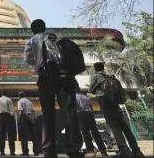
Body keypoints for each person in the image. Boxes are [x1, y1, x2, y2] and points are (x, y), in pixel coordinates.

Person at [24, 19, 83, 158]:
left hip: (45, 77)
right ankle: (74, 149)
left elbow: (28, 59)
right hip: (64, 76)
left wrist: (39, 61)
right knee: (69, 111)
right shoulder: (55, 38)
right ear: (45, 28)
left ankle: (49, 151)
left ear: (33, 30)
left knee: (47, 114)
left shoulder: (31, 41)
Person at [89, 62, 145, 158]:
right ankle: (136, 150)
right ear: (103, 68)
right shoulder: (110, 77)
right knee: (125, 127)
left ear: (95, 69)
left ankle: (124, 150)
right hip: (115, 104)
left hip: (105, 103)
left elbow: (90, 90)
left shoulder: (96, 77)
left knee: (115, 128)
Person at [75, 86, 108, 156]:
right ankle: (103, 150)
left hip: (80, 114)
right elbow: (91, 107)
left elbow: (76, 107)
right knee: (95, 131)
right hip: (89, 113)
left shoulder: (74, 97)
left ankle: (90, 150)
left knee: (85, 133)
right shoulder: (86, 97)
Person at [17, 91, 40, 156]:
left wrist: (27, 117)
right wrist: (33, 118)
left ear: (19, 96)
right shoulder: (29, 102)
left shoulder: (20, 101)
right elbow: (33, 111)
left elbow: (21, 110)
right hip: (30, 117)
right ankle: (36, 152)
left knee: (24, 136)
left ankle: (25, 152)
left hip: (23, 118)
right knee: (33, 136)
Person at [0, 90, 16, 156]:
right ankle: (12, 152)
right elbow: (11, 110)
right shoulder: (8, 100)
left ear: (2, 93)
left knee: (1, 135)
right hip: (7, 116)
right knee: (10, 135)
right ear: (7, 93)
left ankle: (2, 151)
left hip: (0, 117)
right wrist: (12, 117)